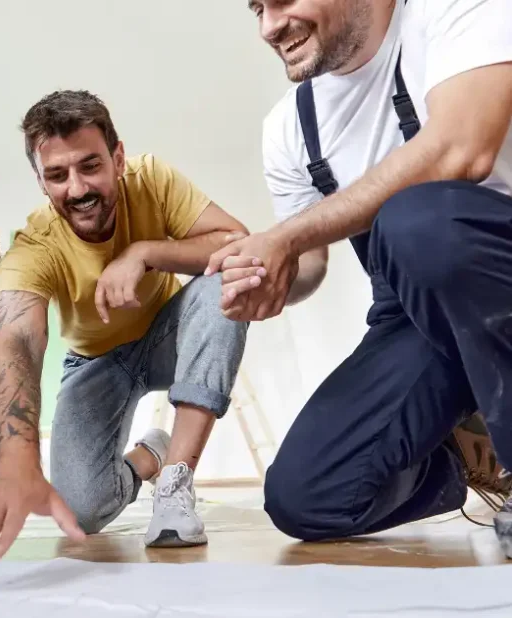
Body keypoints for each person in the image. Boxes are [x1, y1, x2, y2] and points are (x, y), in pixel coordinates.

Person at [208, 0, 512, 557]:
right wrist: (265, 277)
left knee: (419, 223)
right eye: (256, 9)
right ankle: (459, 455)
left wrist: (290, 237)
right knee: (307, 495)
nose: (269, 27)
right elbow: (311, 263)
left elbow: (462, 148)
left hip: (498, 268)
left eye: (281, 1)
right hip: (416, 316)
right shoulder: (290, 127)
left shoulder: (454, 12)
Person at [0, 90, 252, 564]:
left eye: (90, 166)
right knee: (81, 511)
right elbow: (17, 341)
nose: (77, 188)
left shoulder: (151, 178)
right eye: (57, 175)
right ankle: (150, 456)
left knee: (227, 280)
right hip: (96, 362)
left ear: (118, 158)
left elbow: (238, 242)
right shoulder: (34, 244)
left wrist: (145, 253)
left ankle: (174, 484)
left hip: (168, 336)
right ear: (41, 183)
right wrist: (15, 459)